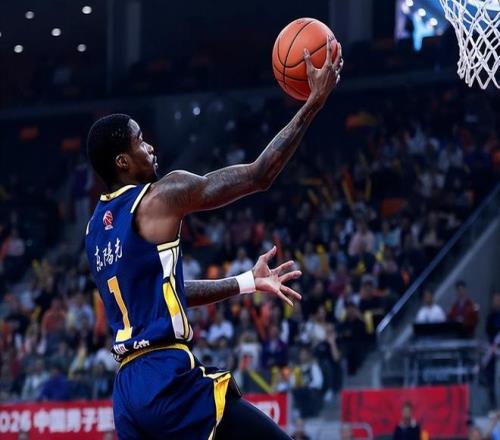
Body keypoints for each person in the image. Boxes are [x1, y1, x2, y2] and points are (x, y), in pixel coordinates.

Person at [85, 38, 342, 440]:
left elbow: (170, 291)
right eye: (140, 141)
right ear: (122, 162)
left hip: (128, 395)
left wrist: (246, 282)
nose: (150, 147)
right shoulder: (159, 198)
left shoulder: (94, 230)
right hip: (166, 379)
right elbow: (259, 175)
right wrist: (313, 104)